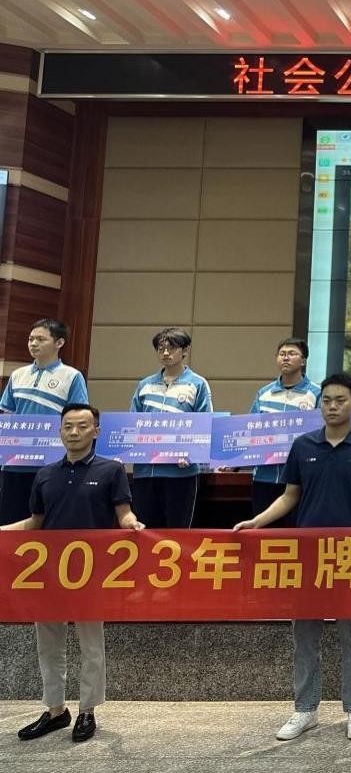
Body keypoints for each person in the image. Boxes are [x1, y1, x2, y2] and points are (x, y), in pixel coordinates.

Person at [233, 373, 351, 742]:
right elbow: (290, 496)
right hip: (307, 555)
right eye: (327, 401)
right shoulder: (303, 445)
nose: (333, 406)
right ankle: (305, 709)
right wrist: (257, 522)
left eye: (340, 400)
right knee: (304, 633)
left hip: (349, 553)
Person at [2, 403, 144, 744]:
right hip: (48, 573)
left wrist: (132, 524)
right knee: (48, 644)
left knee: (91, 644)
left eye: (82, 426)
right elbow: (35, 523)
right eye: (68, 426)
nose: (74, 432)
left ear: (96, 431)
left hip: (91, 574)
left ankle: (87, 710)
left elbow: (123, 514)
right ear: (59, 430)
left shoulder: (111, 470)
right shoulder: (45, 474)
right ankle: (55, 710)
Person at [0, 318, 89, 524]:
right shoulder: (17, 375)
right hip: (14, 463)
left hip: (52, 463)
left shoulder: (72, 376)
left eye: (40, 339)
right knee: (10, 521)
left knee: (50, 522)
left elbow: (78, 417)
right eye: (30, 339)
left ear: (59, 343)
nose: (33, 343)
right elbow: (7, 416)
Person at [129, 327, 213, 528]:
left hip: (181, 473)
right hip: (145, 471)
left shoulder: (197, 384)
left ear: (185, 350)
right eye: (161, 348)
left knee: (179, 533)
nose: (165, 353)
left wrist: (191, 454)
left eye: (172, 348)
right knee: (145, 532)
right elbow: (132, 423)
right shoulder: (145, 385)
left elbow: (205, 424)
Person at [243, 338, 320, 525]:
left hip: (300, 478)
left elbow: (321, 434)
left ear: (303, 361)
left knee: (296, 534)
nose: (286, 358)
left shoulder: (317, 393)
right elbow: (250, 430)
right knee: (263, 532)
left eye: (292, 354)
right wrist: (232, 462)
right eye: (282, 354)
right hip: (265, 476)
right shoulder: (264, 393)